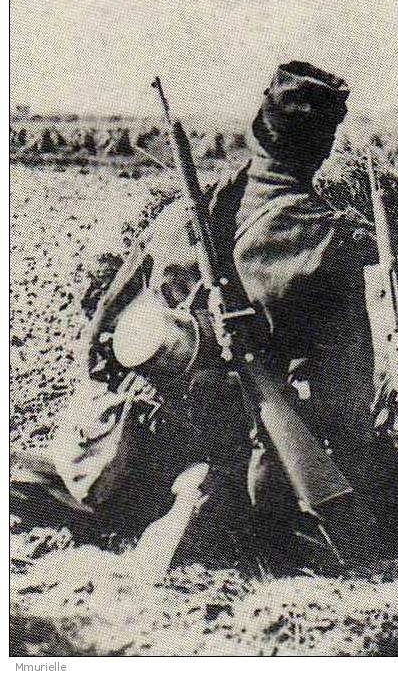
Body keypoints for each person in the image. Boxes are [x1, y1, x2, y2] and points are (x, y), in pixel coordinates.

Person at [40, 60, 380, 565]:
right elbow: (343, 400)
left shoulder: (184, 212)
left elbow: (100, 338)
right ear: (325, 148)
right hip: (240, 458)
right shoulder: (332, 239)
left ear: (255, 132)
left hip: (129, 441)